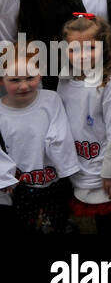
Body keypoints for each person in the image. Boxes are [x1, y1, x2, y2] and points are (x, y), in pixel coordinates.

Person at [58, 14, 111, 234]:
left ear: (104, 45)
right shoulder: (65, 79)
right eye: (74, 49)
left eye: (90, 48)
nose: (82, 56)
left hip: (105, 171)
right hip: (79, 165)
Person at [0, 41, 79, 234]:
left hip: (53, 182)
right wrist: (4, 177)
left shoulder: (50, 100)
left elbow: (60, 134)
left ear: (40, 73)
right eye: (14, 80)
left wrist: (65, 167)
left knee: (56, 224)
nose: (24, 85)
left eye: (30, 77)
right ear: (2, 80)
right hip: (18, 188)